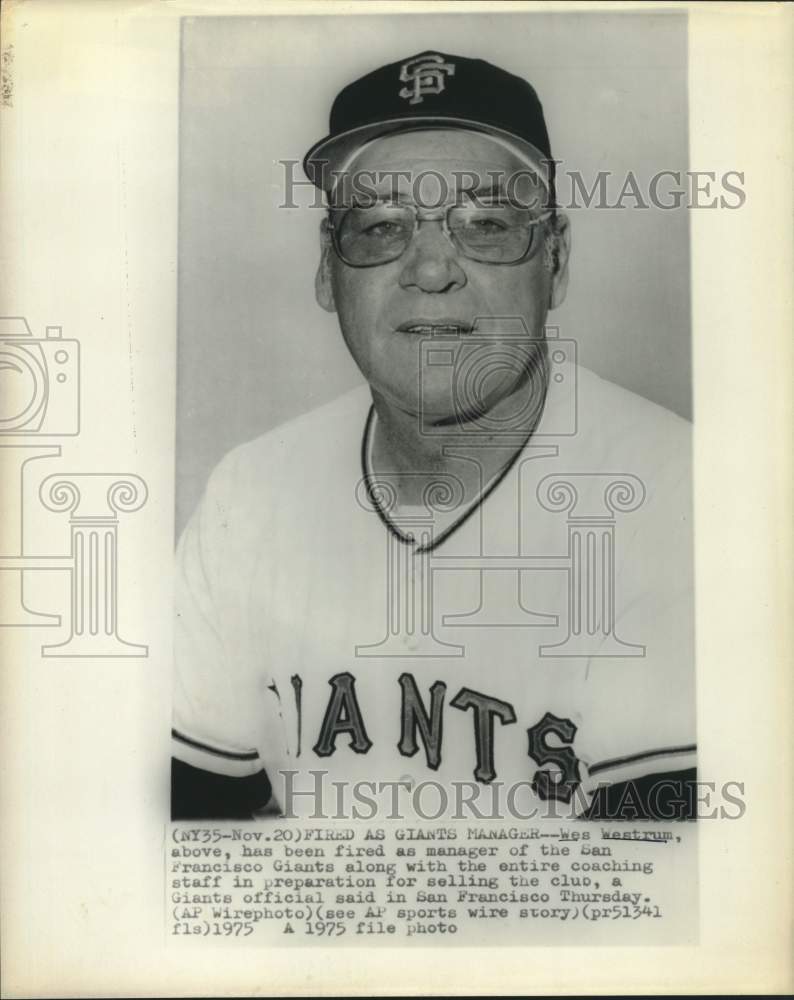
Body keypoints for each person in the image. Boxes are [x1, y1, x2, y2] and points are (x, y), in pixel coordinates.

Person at [171, 51, 696, 821]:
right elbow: (189, 834)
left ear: (555, 260)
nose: (430, 269)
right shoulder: (250, 493)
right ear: (328, 269)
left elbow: (661, 902)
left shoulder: (680, 496)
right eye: (382, 226)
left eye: (485, 225)